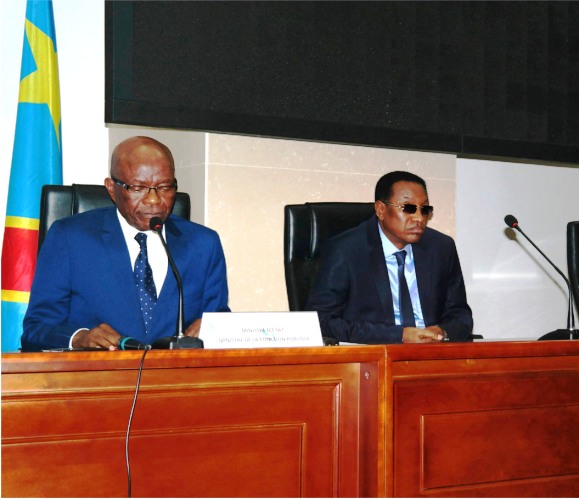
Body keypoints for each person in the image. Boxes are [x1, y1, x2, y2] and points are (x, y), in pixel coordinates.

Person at [22, 136, 229, 351]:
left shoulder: (203, 244)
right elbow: (36, 329)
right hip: (98, 379)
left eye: (165, 187)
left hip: (175, 379)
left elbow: (219, 320)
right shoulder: (70, 238)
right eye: (138, 188)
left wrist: (214, 329)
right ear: (112, 188)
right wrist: (78, 338)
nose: (153, 200)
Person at [306, 171, 473, 344]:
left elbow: (460, 314)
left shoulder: (441, 248)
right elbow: (321, 320)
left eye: (425, 209)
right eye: (408, 208)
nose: (418, 218)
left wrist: (442, 333)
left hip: (432, 355)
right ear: (380, 209)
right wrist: (399, 336)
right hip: (373, 356)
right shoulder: (346, 250)